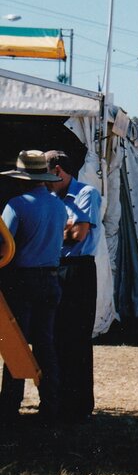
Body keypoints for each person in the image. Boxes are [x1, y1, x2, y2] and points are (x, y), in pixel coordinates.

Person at [0, 150, 68, 426]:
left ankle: (8, 408)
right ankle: (51, 405)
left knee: (15, 345)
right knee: (45, 344)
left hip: (22, 281)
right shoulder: (58, 205)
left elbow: (4, 244)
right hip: (51, 279)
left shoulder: (16, 205)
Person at [45, 150, 102, 423]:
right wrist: (63, 228)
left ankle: (78, 404)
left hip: (77, 270)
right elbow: (67, 231)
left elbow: (78, 235)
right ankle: (59, 401)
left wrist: (56, 229)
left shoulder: (86, 194)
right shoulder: (52, 198)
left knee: (77, 337)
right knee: (56, 336)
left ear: (58, 171)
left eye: (47, 177)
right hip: (57, 268)